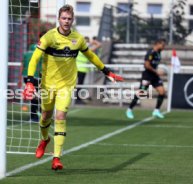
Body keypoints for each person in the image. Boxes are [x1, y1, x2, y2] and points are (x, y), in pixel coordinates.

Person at [22, 4, 123, 170]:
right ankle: (44, 139)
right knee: (46, 115)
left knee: (60, 117)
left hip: (67, 85)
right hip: (47, 84)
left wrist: (107, 71)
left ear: (72, 20)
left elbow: (90, 55)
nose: (66, 21)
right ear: (59, 19)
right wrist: (30, 81)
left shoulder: (78, 39)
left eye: (69, 18)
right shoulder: (49, 37)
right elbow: (34, 59)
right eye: (64, 18)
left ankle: (56, 158)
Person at [126, 38, 166, 119]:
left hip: (154, 76)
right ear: (157, 44)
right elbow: (146, 65)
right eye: (163, 45)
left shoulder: (159, 52)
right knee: (141, 93)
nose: (164, 47)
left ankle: (156, 110)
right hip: (147, 76)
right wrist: (156, 71)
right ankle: (129, 109)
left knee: (162, 91)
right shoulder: (151, 53)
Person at [22, 31, 45, 122]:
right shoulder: (43, 49)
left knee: (36, 96)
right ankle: (35, 115)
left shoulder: (32, 47)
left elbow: (24, 62)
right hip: (36, 76)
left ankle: (37, 114)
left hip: (27, 75)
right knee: (37, 96)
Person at [76, 36, 102, 104]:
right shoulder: (87, 50)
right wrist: (92, 41)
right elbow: (99, 44)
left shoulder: (78, 48)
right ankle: (77, 99)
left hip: (76, 68)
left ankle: (76, 99)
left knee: (76, 84)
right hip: (82, 69)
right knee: (79, 84)